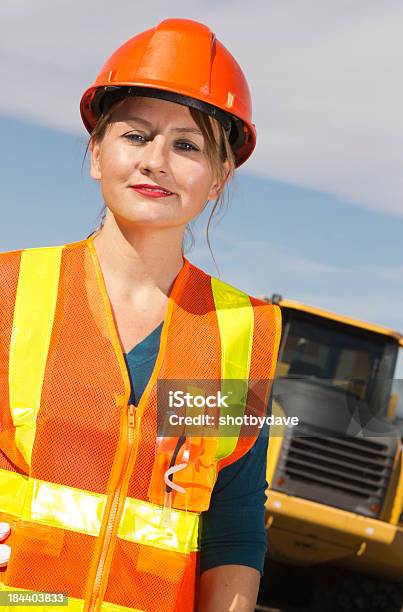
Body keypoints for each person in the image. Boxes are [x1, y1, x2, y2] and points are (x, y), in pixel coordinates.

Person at [0, 18, 281, 612]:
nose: (156, 161)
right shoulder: (12, 290)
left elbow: (232, 530)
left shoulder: (236, 332)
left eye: (186, 145)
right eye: (135, 135)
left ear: (219, 179)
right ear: (97, 153)